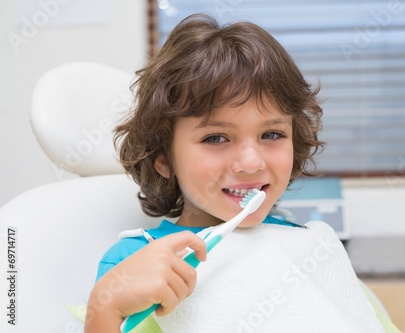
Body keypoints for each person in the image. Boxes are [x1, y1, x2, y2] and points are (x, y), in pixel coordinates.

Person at [84, 13, 386, 333]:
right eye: (215, 138)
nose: (251, 162)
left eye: (271, 134)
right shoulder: (135, 262)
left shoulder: (308, 247)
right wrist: (105, 307)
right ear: (163, 158)